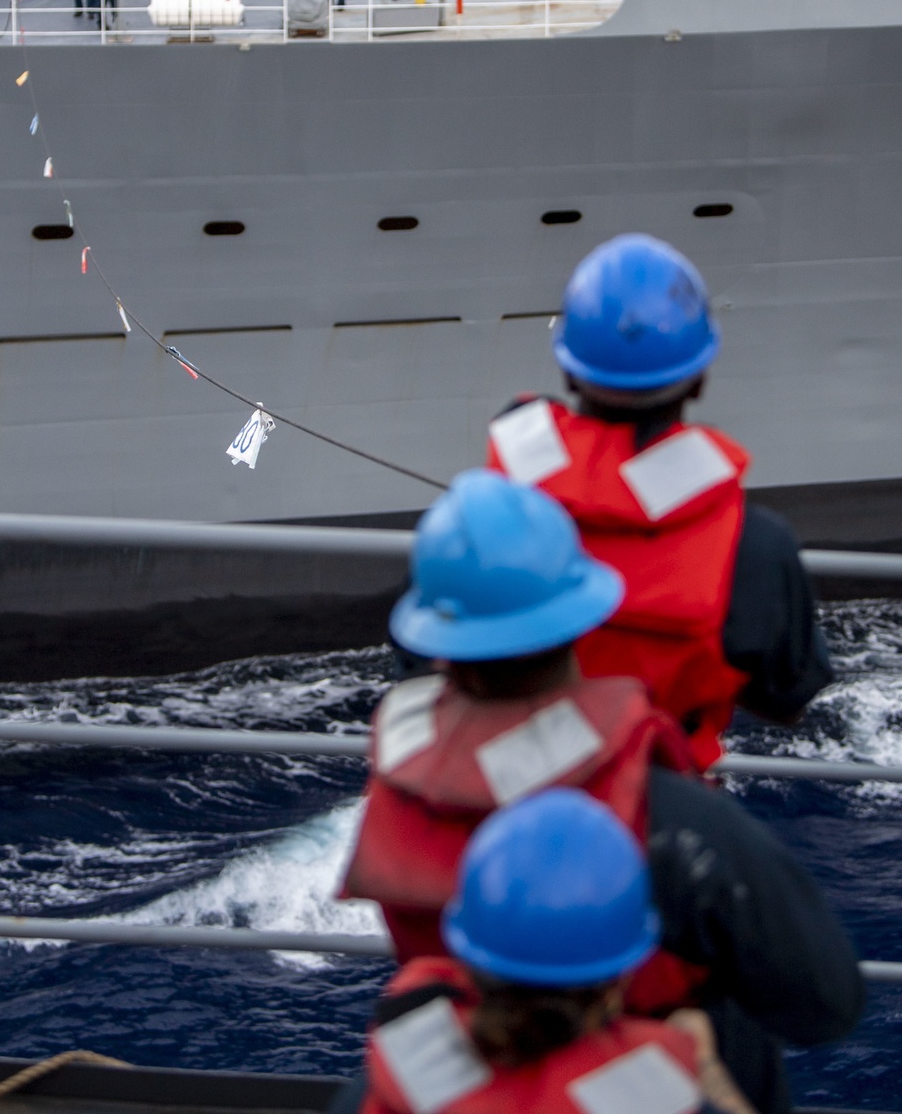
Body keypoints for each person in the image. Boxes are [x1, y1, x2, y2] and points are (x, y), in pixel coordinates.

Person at [341, 469, 863, 1114]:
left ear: (431, 643)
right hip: (652, 1055)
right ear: (582, 619)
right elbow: (823, 1005)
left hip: (469, 1046)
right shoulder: (674, 819)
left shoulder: (399, 783)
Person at [486, 233, 833, 771]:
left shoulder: (502, 490)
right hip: (654, 797)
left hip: (504, 782)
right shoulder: (755, 544)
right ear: (698, 380)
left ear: (569, 369)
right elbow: (785, 701)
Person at [347, 789, 758, 1114]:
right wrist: (704, 1066)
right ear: (623, 973)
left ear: (469, 955)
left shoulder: (397, 1067)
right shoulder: (661, 1093)